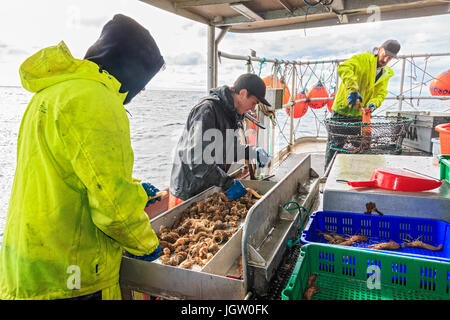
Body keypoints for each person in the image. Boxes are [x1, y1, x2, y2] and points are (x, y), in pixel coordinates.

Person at [0, 14, 165, 300]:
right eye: (143, 82)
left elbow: (73, 172)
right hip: (70, 275)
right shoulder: (97, 100)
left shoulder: (51, 92)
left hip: (28, 265)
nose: (140, 91)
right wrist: (147, 245)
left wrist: (135, 189)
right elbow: (112, 207)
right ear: (131, 72)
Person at [169, 73, 271, 207]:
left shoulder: (232, 113)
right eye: (254, 103)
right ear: (243, 93)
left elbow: (228, 148)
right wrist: (227, 183)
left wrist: (252, 152)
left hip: (208, 188)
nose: (253, 109)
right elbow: (197, 160)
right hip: (187, 193)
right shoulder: (207, 110)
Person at [324, 39, 401, 169]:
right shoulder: (362, 59)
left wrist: (373, 104)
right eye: (385, 55)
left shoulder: (386, 73)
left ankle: (350, 174)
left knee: (358, 147)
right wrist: (353, 90)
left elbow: (380, 94)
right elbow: (344, 68)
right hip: (342, 110)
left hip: (361, 115)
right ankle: (327, 176)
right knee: (335, 145)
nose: (386, 60)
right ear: (379, 49)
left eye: (391, 58)